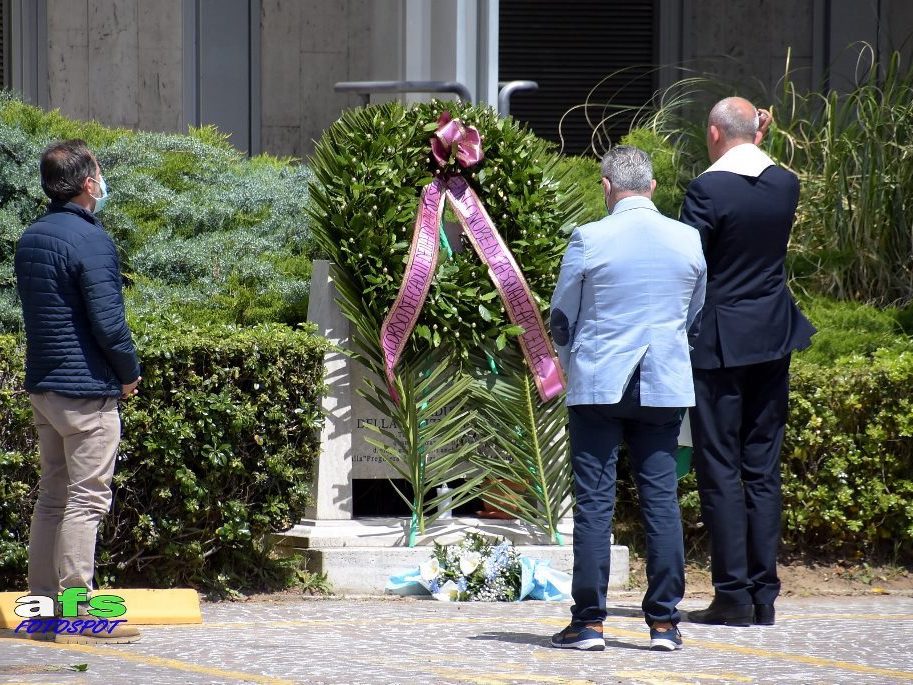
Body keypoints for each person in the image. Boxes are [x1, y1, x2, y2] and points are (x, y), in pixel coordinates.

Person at [548, 146, 707, 652]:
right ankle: (663, 624)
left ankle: (589, 623)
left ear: (606, 186)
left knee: (595, 503)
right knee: (660, 499)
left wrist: (568, 364)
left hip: (600, 381)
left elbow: (562, 316)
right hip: (663, 382)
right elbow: (694, 315)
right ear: (652, 187)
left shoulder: (589, 237)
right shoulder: (688, 238)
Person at [681, 98, 815, 627]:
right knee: (762, 468)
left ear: (715, 133)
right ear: (756, 132)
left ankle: (732, 594)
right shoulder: (785, 183)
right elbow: (755, 167)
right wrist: (759, 134)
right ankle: (763, 596)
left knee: (720, 468)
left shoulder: (706, 189)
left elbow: (690, 266)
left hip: (720, 341)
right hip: (772, 333)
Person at [15, 139, 142, 644]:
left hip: (45, 385)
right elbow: (109, 323)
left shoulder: (32, 236)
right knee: (86, 500)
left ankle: (42, 609)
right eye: (99, 174)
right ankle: (80, 610)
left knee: (52, 496)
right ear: (89, 183)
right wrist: (128, 373)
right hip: (86, 391)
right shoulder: (91, 240)